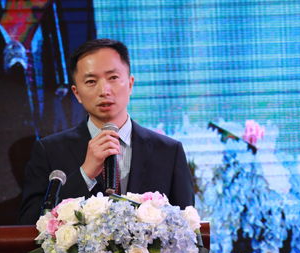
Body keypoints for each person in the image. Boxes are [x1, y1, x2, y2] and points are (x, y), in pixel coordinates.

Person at [17, 38, 195, 225]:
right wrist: (85, 174)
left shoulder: (169, 152)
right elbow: (28, 223)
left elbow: (188, 230)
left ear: (130, 84)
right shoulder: (49, 151)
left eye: (113, 78)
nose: (104, 90)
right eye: (91, 81)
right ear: (77, 93)